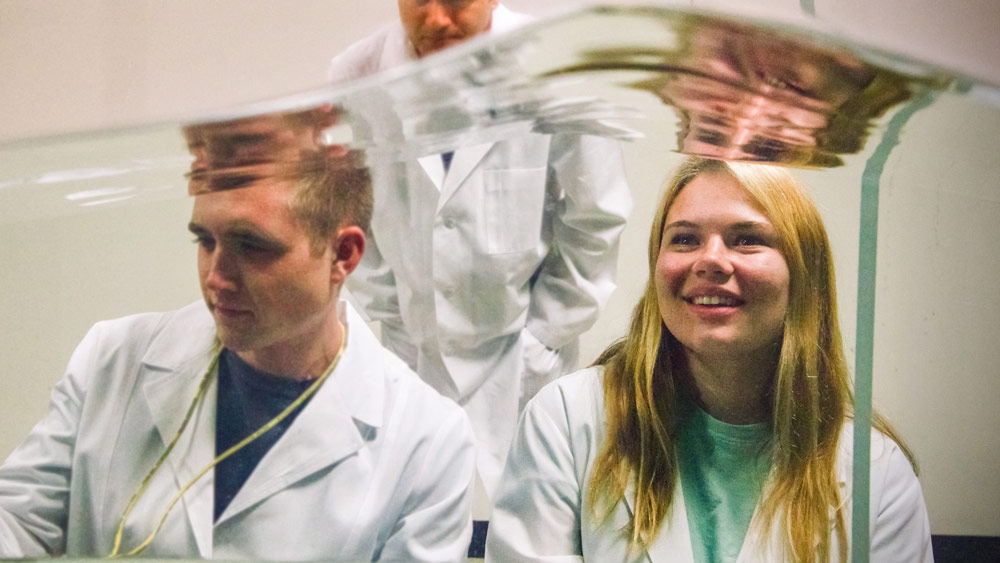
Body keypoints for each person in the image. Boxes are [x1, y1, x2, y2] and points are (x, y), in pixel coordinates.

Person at [0, 109, 476, 561]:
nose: (216, 276)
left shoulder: (429, 441)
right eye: (205, 240)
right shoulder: (112, 360)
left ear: (343, 255)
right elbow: (17, 523)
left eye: (251, 245)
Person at [486, 156, 932, 562]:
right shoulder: (568, 421)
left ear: (803, 273)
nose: (710, 260)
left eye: (746, 239)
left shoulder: (876, 472)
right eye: (685, 239)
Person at [327, 0, 632, 500]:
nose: (436, 19)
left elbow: (596, 214)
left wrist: (542, 336)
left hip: (521, 360)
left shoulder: (556, 62)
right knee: (419, 513)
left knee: (526, 518)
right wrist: (398, 317)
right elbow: (352, 209)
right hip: (413, 355)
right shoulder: (357, 76)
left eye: (456, 2)